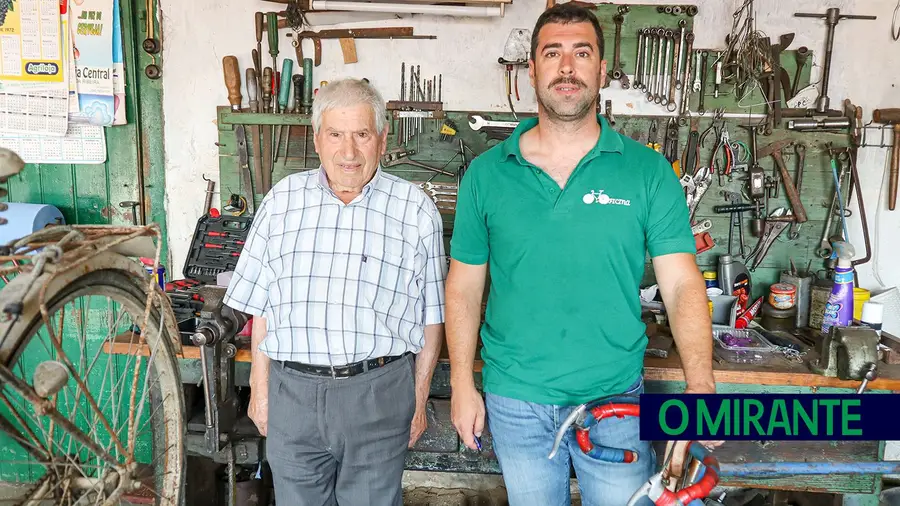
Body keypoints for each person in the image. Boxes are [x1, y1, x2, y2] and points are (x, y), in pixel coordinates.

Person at [444, 4, 719, 505]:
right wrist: (463, 383)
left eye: (581, 53)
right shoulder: (486, 174)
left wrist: (700, 385)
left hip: (616, 397)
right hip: (516, 400)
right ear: (532, 70)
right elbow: (463, 286)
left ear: (602, 71)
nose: (566, 67)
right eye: (553, 53)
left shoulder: (648, 172)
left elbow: (681, 284)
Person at [223, 78, 447, 506]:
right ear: (317, 139)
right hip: (294, 396)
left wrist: (418, 399)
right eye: (336, 135)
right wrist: (260, 388)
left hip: (379, 395)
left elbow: (431, 317)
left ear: (382, 140)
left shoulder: (414, 209)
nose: (349, 152)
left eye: (362, 134)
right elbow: (265, 305)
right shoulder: (282, 201)